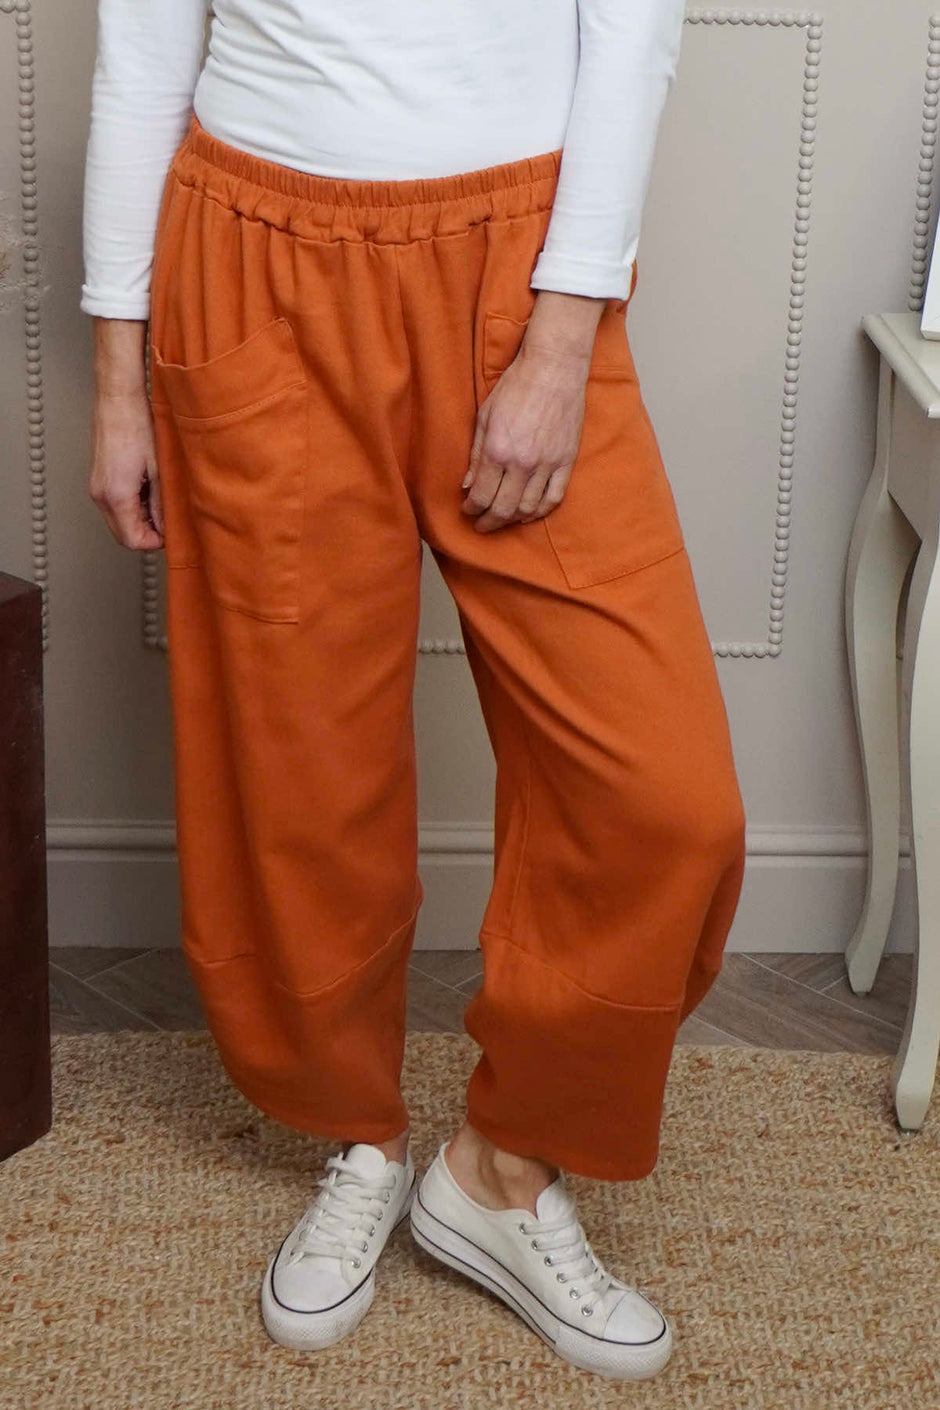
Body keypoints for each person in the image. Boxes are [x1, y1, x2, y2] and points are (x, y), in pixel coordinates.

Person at [82, 0, 747, 1382]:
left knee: (665, 791)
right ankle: (359, 1138)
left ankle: (499, 1169)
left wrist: (561, 336)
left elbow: (632, 31)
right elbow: (142, 54)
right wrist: (117, 383)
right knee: (301, 757)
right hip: (251, 256)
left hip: (517, 269)